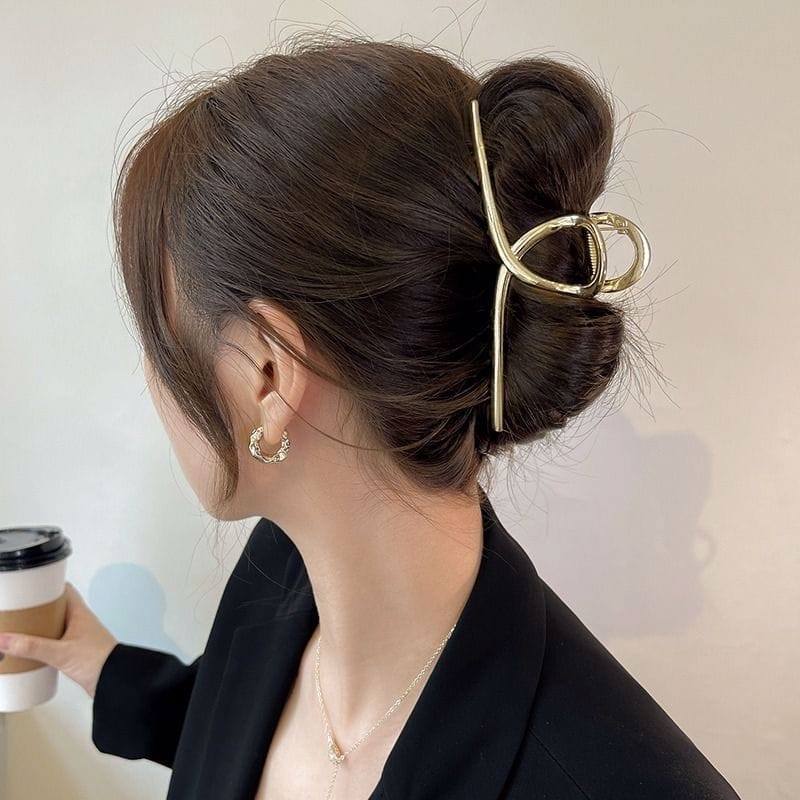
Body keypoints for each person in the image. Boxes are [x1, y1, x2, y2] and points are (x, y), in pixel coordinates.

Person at [0, 35, 742, 799]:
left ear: (267, 376)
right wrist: (109, 672)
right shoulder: (281, 573)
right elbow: (242, 726)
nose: (152, 378)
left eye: (161, 342)